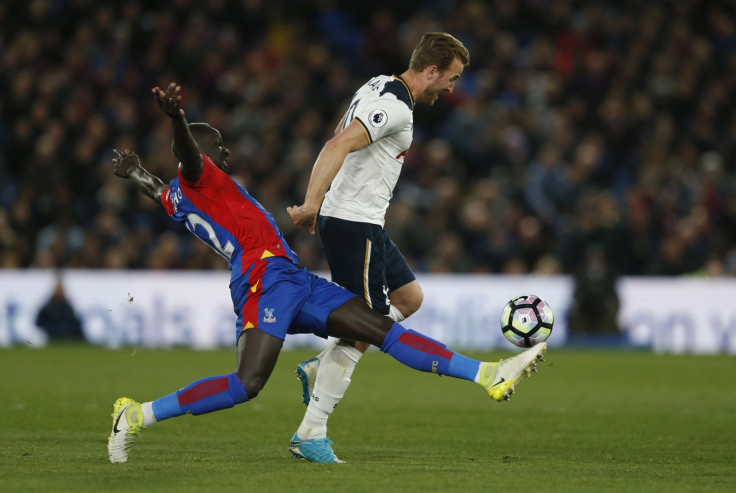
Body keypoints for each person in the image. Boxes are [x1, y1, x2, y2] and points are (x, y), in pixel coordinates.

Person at [107, 82, 547, 464]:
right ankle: (137, 415)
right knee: (246, 384)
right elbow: (186, 157)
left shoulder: (181, 198)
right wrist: (178, 120)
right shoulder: (201, 177)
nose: (226, 151)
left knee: (378, 328)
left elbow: (159, 191)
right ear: (202, 155)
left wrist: (137, 173)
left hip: (292, 278)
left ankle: (487, 375)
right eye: (218, 145)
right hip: (263, 283)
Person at [286, 32, 470, 461]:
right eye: (452, 78)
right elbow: (338, 144)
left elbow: (338, 133)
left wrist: (323, 200)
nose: (451, 88)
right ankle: (310, 433)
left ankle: (323, 363)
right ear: (431, 71)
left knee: (410, 297)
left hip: (361, 219)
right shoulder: (396, 107)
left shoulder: (376, 84)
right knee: (364, 327)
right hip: (354, 222)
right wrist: (313, 202)